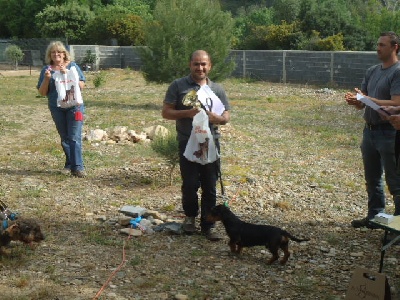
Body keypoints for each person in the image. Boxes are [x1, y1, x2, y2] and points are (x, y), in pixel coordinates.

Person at [162, 50, 231, 241]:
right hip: (187, 142)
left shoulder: (217, 89)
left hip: (211, 142)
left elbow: (226, 115)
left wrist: (220, 119)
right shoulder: (178, 86)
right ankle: (190, 218)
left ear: (210, 66)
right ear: (190, 64)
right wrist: (188, 113)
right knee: (190, 184)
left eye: (203, 64)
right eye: (196, 64)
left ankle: (208, 225)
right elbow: (166, 112)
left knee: (210, 185)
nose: (200, 68)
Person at [345, 31, 400, 229]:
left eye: (382, 45)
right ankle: (375, 217)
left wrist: (368, 100)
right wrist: (356, 101)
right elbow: (363, 103)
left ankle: (397, 226)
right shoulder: (372, 71)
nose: (378, 48)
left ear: (395, 47)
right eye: (377, 44)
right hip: (370, 131)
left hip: (390, 133)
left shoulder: (397, 71)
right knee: (372, 178)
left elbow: (396, 103)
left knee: (395, 182)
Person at [37, 41, 86, 177]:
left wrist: (68, 74)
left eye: (59, 52)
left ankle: (78, 167)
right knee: (65, 137)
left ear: (64, 54)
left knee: (74, 137)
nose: (56, 54)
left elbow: (82, 85)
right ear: (49, 55)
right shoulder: (46, 70)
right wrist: (47, 79)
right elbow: (42, 92)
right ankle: (69, 164)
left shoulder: (73, 66)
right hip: (56, 108)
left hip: (75, 107)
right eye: (53, 52)